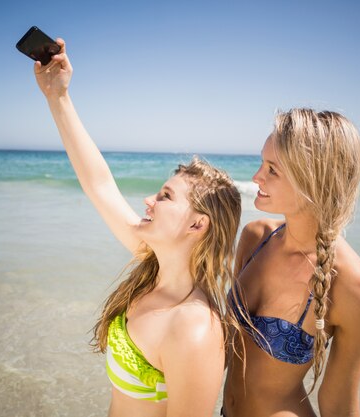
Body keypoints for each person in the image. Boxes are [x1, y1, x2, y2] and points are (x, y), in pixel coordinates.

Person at [33, 39, 242, 417]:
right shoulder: (152, 268)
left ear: (198, 224)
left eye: (165, 196)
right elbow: (98, 183)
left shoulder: (193, 329)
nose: (148, 200)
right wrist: (57, 97)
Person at [223, 109, 360, 417]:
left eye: (273, 170)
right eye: (262, 163)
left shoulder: (357, 289)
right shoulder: (256, 238)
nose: (257, 177)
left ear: (313, 181)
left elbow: (338, 402)